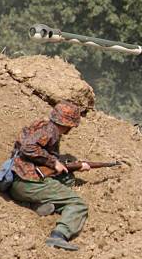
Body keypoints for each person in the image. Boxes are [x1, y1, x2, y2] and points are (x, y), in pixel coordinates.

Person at [10, 101, 90, 251]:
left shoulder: (40, 126)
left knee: (67, 178)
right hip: (29, 182)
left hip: (16, 182)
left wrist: (77, 166)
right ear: (67, 124)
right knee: (77, 204)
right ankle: (58, 236)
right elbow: (28, 147)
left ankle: (37, 205)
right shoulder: (49, 131)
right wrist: (53, 162)